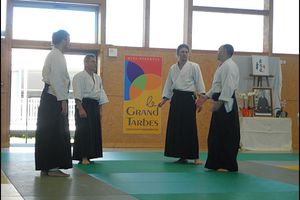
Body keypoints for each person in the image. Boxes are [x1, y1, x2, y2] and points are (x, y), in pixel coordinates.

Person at [158, 44, 206, 165]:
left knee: (190, 128)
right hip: (176, 99)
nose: (184, 54)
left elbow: (199, 83)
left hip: (188, 99)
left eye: (186, 52)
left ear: (188, 53)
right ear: (178, 54)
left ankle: (195, 156)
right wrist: (164, 99)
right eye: (182, 52)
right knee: (176, 128)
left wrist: (200, 101)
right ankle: (182, 156)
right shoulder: (173, 68)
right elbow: (169, 85)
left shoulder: (194, 66)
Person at [35, 30, 72, 177]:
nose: (70, 42)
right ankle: (52, 167)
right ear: (63, 40)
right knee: (55, 132)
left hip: (50, 97)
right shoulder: (57, 55)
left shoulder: (54, 54)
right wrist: (63, 100)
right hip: (54, 97)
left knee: (48, 132)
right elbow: (57, 80)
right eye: (69, 39)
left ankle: (47, 167)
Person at [199, 44, 240, 172]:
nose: (217, 53)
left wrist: (221, 102)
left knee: (226, 135)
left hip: (225, 104)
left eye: (219, 50)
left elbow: (228, 85)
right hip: (220, 101)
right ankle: (215, 163)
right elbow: (217, 86)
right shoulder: (223, 65)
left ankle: (228, 164)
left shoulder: (229, 66)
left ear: (226, 52)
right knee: (216, 135)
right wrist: (205, 97)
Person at [72, 55, 109, 165]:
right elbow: (77, 93)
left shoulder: (97, 77)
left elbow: (101, 93)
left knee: (93, 131)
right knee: (84, 131)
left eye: (94, 62)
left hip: (94, 105)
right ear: (86, 63)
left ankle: (90, 155)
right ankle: (83, 156)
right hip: (84, 105)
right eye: (92, 61)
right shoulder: (79, 76)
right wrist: (80, 108)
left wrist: (100, 109)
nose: (94, 64)